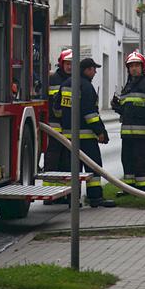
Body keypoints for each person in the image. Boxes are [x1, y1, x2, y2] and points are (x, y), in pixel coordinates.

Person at [54, 58, 115, 208]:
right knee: (93, 167)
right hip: (86, 137)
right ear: (87, 70)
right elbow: (90, 114)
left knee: (72, 169)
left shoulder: (66, 84)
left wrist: (66, 122)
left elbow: (57, 109)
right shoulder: (86, 87)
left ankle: (72, 200)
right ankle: (95, 198)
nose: (95, 72)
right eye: (94, 69)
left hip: (68, 137)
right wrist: (101, 132)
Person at [111, 51, 145, 194]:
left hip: (142, 131)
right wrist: (117, 107)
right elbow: (126, 109)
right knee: (127, 160)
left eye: (137, 65)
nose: (134, 68)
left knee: (141, 159)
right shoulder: (127, 87)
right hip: (127, 133)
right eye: (131, 66)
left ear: (143, 67)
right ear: (128, 68)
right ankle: (129, 188)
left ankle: (144, 188)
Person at [42, 49, 72, 205]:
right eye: (67, 63)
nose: (70, 67)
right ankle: (49, 194)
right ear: (61, 63)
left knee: (67, 161)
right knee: (52, 158)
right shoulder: (52, 79)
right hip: (54, 127)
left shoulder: (76, 80)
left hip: (68, 128)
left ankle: (64, 193)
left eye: (72, 64)